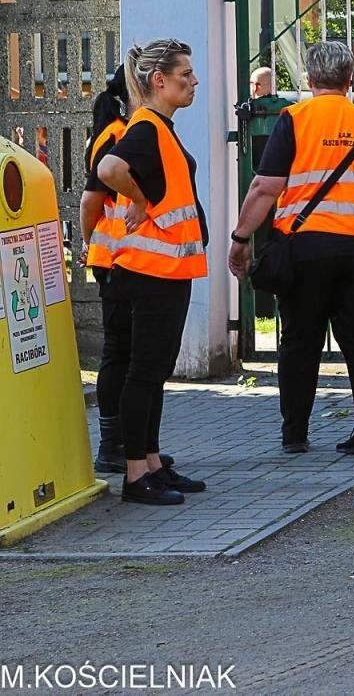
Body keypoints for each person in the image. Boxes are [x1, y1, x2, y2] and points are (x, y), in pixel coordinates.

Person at [227, 41, 354, 457]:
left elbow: (265, 187)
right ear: (350, 81)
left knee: (300, 340)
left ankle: (295, 434)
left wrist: (241, 239)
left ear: (309, 81)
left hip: (308, 248)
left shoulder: (294, 119)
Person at [96, 40, 209, 505]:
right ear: (158, 81)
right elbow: (108, 168)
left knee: (153, 371)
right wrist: (143, 204)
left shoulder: (159, 126)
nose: (194, 81)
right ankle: (135, 474)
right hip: (151, 272)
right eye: (185, 74)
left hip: (161, 270)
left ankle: (153, 464)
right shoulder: (146, 126)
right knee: (144, 372)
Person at [80, 66, 163, 475]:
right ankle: (114, 446)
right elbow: (90, 200)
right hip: (118, 258)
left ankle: (134, 447)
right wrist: (88, 242)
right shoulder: (115, 136)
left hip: (122, 256)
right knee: (121, 355)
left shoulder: (122, 130)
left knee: (129, 355)